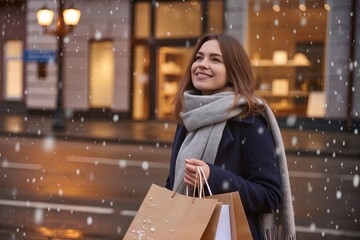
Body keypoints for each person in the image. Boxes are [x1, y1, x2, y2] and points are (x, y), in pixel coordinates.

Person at [165, 33, 296, 240]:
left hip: (227, 232)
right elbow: (175, 180)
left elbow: (269, 195)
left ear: (233, 71)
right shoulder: (188, 118)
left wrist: (213, 177)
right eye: (199, 58)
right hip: (184, 230)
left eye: (215, 59)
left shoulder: (248, 120)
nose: (202, 64)